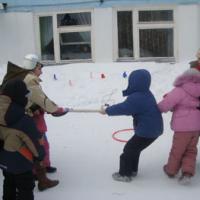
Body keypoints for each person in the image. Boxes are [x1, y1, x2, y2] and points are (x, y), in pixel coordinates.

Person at [1, 54, 68, 191]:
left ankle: (38, 170)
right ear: (33, 66)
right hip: (25, 118)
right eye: (40, 67)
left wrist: (34, 107)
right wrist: (56, 109)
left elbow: (26, 99)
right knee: (39, 143)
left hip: (14, 116)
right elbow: (41, 99)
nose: (41, 70)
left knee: (28, 144)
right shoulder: (30, 79)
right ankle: (40, 175)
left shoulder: (17, 75)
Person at [100, 69, 163, 182]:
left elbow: (124, 108)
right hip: (153, 130)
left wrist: (107, 110)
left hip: (147, 131)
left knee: (129, 150)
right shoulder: (146, 93)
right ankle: (133, 170)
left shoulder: (137, 97)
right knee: (134, 149)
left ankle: (124, 174)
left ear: (134, 83)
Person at [0, 79, 45, 200]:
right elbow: (34, 142)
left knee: (8, 182)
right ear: (19, 96)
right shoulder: (22, 119)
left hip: (4, 159)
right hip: (21, 162)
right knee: (25, 188)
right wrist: (40, 155)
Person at [158, 67, 200, 184]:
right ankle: (187, 172)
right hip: (197, 126)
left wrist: (157, 110)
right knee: (191, 150)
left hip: (183, 127)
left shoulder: (180, 90)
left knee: (178, 149)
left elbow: (167, 103)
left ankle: (171, 170)